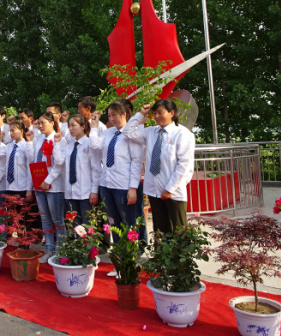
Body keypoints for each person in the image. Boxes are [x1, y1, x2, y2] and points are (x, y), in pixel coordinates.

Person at [122, 99, 195, 234]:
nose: (156, 117)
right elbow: (127, 131)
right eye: (154, 113)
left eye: (160, 113)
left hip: (173, 191)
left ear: (171, 113)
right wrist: (141, 114)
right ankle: (160, 255)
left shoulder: (183, 134)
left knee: (178, 230)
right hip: (154, 190)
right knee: (160, 229)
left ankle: (179, 256)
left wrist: (170, 189)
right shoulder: (151, 132)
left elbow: (184, 165)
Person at [90, 101, 143, 275]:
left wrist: (133, 187)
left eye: (115, 115)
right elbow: (94, 145)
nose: (112, 119)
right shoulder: (108, 133)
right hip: (107, 184)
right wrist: (94, 125)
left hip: (124, 186)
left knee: (128, 225)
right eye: (110, 115)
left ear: (124, 115)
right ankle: (119, 263)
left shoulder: (131, 134)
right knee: (114, 224)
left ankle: (130, 262)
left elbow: (136, 162)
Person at [26, 112, 67, 262]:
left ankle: (61, 250)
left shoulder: (59, 139)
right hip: (39, 185)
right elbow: (32, 160)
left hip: (54, 186)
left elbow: (59, 164)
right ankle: (49, 249)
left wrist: (48, 180)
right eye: (39, 123)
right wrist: (29, 142)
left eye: (43, 123)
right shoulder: (39, 140)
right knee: (45, 219)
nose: (40, 126)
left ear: (51, 122)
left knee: (57, 220)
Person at [54, 114, 101, 225]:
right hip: (70, 193)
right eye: (69, 126)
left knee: (88, 227)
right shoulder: (69, 146)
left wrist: (94, 191)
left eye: (73, 125)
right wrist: (57, 143)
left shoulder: (90, 144)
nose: (70, 129)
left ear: (83, 127)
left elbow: (96, 169)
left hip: (86, 193)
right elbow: (59, 161)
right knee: (75, 227)